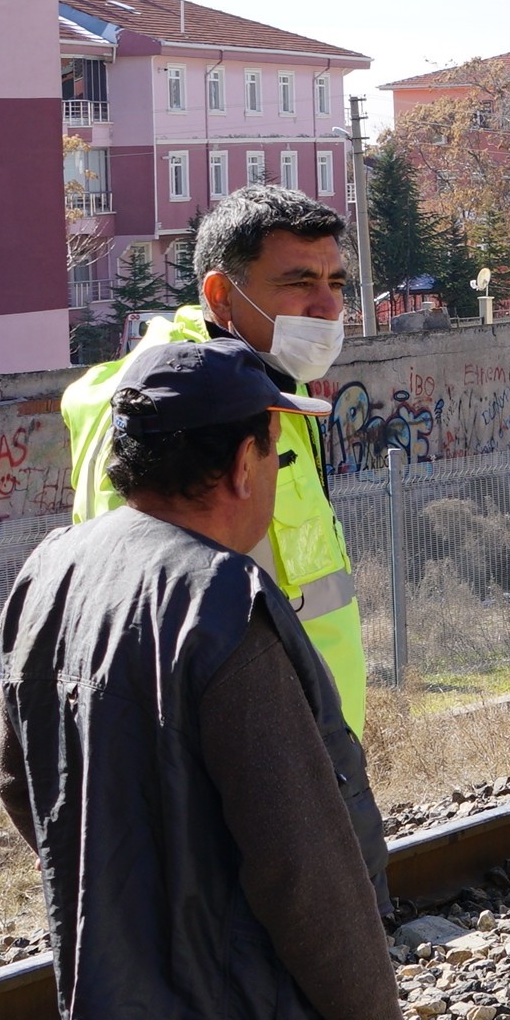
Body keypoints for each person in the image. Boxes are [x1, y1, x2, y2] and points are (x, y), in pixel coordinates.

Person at [0, 339, 422, 1020]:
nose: (275, 467)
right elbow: (300, 864)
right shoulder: (221, 601)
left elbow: (19, 782)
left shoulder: (54, 569)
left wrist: (142, 900)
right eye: (276, 447)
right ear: (240, 463)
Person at [61, 186, 369, 736]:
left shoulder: (268, 384)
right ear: (222, 295)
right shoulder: (168, 412)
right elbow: (145, 620)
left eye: (336, 283)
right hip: (243, 761)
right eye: (299, 282)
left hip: (312, 746)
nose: (327, 307)